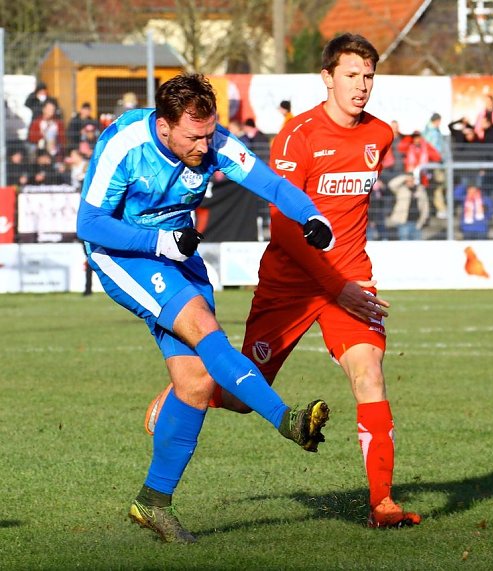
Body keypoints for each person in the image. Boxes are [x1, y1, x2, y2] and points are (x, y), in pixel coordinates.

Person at [77, 73, 334, 544]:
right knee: (203, 325)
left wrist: (310, 215)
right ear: (164, 127)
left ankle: (152, 503)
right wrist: (159, 242)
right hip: (124, 255)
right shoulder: (125, 145)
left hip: (179, 251)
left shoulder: (213, 141)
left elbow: (273, 185)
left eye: (209, 133)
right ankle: (287, 421)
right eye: (194, 137)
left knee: (196, 384)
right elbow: (89, 223)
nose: (204, 145)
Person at [193, 33, 420, 528]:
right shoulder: (297, 135)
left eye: (368, 76)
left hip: (350, 279)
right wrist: (334, 287)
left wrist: (343, 284)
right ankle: (190, 390)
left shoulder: (380, 135)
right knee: (240, 399)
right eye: (351, 75)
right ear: (327, 78)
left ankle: (382, 504)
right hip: (290, 283)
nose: (361, 86)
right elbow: (284, 228)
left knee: (369, 374)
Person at [387, 171, 430, 240]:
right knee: (404, 243)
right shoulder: (401, 189)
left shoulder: (420, 190)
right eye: (408, 181)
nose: (410, 182)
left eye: (411, 180)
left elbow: (425, 206)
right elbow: (391, 184)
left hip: (417, 223)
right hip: (403, 222)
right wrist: (404, 177)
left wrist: (423, 219)